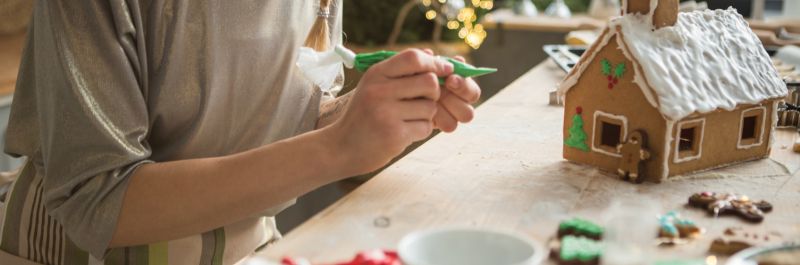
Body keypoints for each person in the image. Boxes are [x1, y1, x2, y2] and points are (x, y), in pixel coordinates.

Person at [0, 1, 481, 265]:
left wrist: (378, 115)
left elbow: (290, 117)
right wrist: (336, 147)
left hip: (250, 249)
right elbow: (98, 203)